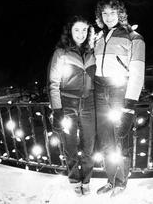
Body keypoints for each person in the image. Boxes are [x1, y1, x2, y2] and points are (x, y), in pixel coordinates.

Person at [94, 0, 145, 197]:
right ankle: (111, 179)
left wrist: (129, 106)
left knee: (120, 138)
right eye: (104, 14)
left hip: (119, 92)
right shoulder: (98, 38)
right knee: (106, 140)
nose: (108, 17)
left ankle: (122, 181)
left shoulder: (135, 37)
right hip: (99, 91)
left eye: (112, 13)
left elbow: (138, 74)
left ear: (120, 14)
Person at [47, 15, 96, 196]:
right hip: (68, 103)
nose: (81, 33)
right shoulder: (61, 53)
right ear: (70, 31)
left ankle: (87, 179)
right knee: (70, 145)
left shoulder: (93, 52)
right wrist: (57, 110)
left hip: (89, 104)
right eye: (77, 29)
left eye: (85, 30)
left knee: (89, 144)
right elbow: (53, 83)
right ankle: (74, 178)